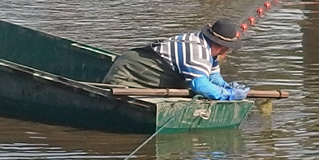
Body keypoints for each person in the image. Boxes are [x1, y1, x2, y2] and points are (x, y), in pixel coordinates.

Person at [103, 18, 250, 100]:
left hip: (156, 74)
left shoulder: (208, 49)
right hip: (131, 71)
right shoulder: (197, 50)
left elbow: (212, 76)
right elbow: (200, 85)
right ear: (222, 46)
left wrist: (226, 86)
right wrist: (228, 95)